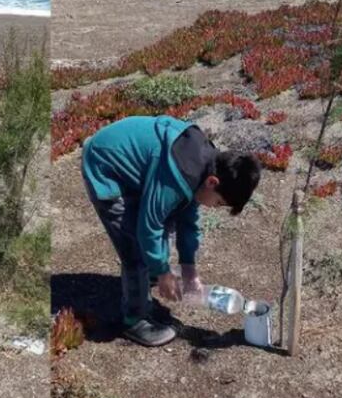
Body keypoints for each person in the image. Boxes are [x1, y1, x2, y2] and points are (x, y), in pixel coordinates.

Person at [82, 115, 261, 346]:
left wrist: (189, 268)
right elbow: (148, 226)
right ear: (213, 182)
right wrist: (164, 272)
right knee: (136, 251)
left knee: (168, 220)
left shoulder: (204, 164)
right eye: (217, 203)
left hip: (134, 165)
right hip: (105, 166)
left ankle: (151, 275)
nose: (213, 208)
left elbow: (188, 221)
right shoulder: (179, 172)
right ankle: (133, 320)